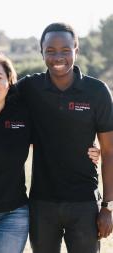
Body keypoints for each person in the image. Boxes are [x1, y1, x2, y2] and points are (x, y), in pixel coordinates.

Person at [0, 53, 100, 253]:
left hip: (10, 214)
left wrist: (89, 148)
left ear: (10, 81)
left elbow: (54, 139)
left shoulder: (24, 112)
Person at [17, 22, 113, 253]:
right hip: (41, 203)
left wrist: (107, 207)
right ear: (41, 52)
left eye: (65, 50)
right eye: (50, 50)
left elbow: (109, 151)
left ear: (76, 50)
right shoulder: (29, 87)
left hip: (84, 204)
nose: (58, 56)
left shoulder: (97, 91)